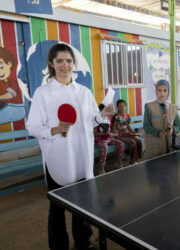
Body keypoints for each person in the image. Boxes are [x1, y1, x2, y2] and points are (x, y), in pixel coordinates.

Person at [26, 43, 113, 250]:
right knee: (57, 208)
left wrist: (102, 115)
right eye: (59, 61)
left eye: (68, 61)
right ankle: (58, 246)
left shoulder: (83, 92)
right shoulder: (42, 93)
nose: (65, 65)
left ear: (73, 63)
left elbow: (92, 120)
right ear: (51, 64)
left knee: (82, 205)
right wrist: (54, 130)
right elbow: (33, 127)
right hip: (57, 158)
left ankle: (83, 241)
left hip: (81, 156)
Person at [143, 79, 180, 159]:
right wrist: (158, 132)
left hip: (170, 148)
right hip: (155, 148)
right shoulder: (149, 107)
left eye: (165, 90)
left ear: (168, 92)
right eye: (159, 90)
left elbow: (178, 126)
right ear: (156, 91)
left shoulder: (173, 108)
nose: (162, 93)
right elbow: (146, 126)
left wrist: (173, 130)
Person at [94, 104, 125, 175]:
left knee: (121, 143)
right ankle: (101, 168)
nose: (107, 111)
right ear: (101, 110)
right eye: (105, 109)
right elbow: (95, 134)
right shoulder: (96, 120)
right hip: (100, 140)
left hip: (109, 138)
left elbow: (109, 130)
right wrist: (104, 134)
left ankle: (119, 162)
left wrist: (113, 132)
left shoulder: (107, 119)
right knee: (105, 147)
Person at [111, 99, 143, 164]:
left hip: (126, 132)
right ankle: (132, 161)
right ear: (117, 107)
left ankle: (138, 158)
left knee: (138, 140)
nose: (122, 108)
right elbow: (113, 128)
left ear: (125, 107)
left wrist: (134, 133)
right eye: (120, 106)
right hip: (118, 134)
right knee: (132, 142)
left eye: (123, 106)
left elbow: (128, 126)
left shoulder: (127, 115)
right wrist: (116, 133)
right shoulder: (115, 116)